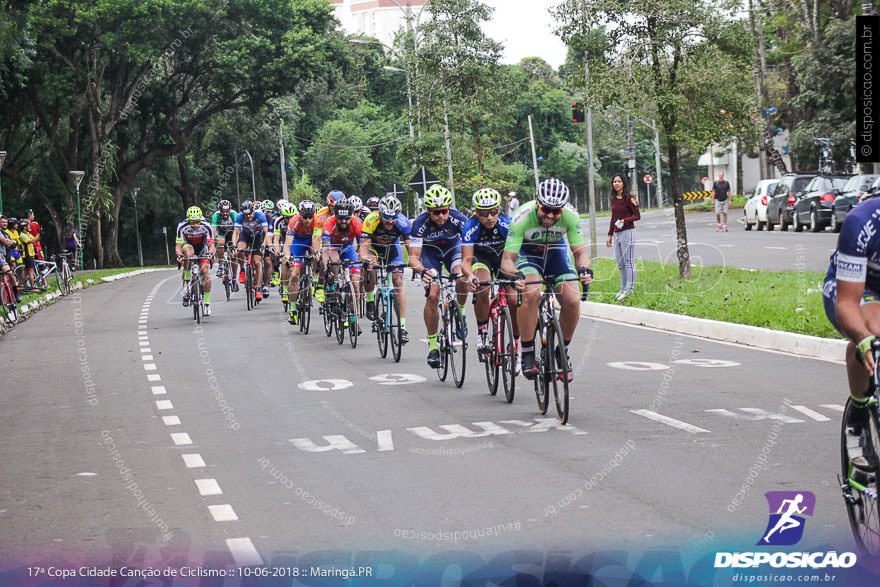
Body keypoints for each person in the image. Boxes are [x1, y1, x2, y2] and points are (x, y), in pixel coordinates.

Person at [501, 178, 593, 381]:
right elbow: (507, 260)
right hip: (528, 254)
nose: (551, 215)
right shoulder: (521, 217)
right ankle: (526, 351)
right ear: (536, 202)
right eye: (546, 209)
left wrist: (585, 269)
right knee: (531, 292)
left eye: (556, 211)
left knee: (572, 299)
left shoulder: (570, 216)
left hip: (555, 253)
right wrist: (515, 275)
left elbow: (580, 253)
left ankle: (561, 351)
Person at [824, 197, 880, 465]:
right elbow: (847, 302)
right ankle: (857, 419)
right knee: (875, 330)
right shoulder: (862, 223)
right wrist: (861, 337)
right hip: (852, 288)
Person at [408, 184, 469, 368]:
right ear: (428, 211)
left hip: (453, 250)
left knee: (461, 277)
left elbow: (469, 245)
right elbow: (413, 257)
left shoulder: (458, 219)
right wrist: (422, 271)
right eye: (436, 212)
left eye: (444, 211)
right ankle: (433, 345)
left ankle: (462, 314)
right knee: (433, 295)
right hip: (430, 254)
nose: (441, 216)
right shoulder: (420, 223)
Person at [461, 188, 519, 369]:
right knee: (482, 286)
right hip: (481, 259)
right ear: (476, 213)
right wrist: (470, 276)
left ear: (499, 210)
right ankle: (483, 332)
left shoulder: (507, 224)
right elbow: (466, 260)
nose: (489, 217)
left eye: (494, 212)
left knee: (513, 298)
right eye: (484, 213)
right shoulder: (471, 227)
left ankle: (516, 346)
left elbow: (518, 254)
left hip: (504, 259)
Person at [359, 195, 412, 343]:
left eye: (393, 217)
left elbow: (410, 247)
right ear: (381, 213)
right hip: (374, 248)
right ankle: (370, 299)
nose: (390, 221)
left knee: (398, 281)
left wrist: (414, 262)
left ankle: (402, 327)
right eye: (386, 217)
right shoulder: (371, 220)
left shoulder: (403, 222)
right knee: (370, 266)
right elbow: (363, 248)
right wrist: (365, 260)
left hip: (392, 249)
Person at [319, 198, 364, 334]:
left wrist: (364, 257)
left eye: (346, 218)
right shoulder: (329, 223)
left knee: (355, 285)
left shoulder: (357, 223)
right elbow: (325, 248)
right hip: (333, 247)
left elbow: (364, 245)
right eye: (340, 218)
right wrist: (326, 267)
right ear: (335, 215)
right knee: (333, 260)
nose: (343, 221)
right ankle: (331, 287)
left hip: (348, 249)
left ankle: (353, 320)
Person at [606, 174, 640, 301]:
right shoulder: (614, 199)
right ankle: (622, 289)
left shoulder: (629, 198)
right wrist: (610, 234)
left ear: (623, 183)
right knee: (620, 263)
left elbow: (637, 216)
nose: (616, 184)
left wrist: (625, 220)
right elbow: (613, 218)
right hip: (616, 233)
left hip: (628, 232)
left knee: (628, 262)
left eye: (619, 181)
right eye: (614, 181)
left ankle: (629, 290)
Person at [175, 206, 215, 315]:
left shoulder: (206, 226)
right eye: (193, 223)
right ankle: (187, 283)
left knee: (205, 273)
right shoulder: (182, 226)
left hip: (202, 248)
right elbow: (178, 245)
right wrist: (179, 254)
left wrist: (211, 253)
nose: (195, 225)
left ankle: (207, 305)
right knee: (189, 254)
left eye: (197, 222)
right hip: (188, 245)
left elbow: (211, 245)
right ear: (188, 220)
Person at [283, 200, 318, 325]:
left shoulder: (317, 220)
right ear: (300, 215)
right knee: (294, 276)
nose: (308, 220)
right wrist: (288, 258)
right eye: (305, 217)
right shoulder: (294, 221)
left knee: (316, 254)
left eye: (310, 217)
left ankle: (314, 278)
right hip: (297, 243)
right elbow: (287, 244)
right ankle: (293, 310)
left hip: (312, 241)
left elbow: (319, 240)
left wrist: (318, 254)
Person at [231, 200, 270, 302]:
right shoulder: (239, 216)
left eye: (250, 214)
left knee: (257, 262)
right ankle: (243, 270)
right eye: (246, 215)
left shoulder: (260, 215)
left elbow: (267, 233)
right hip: (245, 235)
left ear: (253, 210)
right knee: (240, 250)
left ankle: (257, 289)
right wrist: (234, 246)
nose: (248, 216)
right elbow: (235, 233)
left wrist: (264, 245)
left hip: (258, 236)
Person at [312, 190, 345, 303]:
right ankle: (320, 284)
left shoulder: (346, 213)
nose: (335, 211)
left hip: (340, 238)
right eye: (332, 208)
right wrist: (317, 252)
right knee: (323, 257)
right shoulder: (321, 215)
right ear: (328, 206)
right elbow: (316, 237)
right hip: (325, 239)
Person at [211, 200, 238, 287]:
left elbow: (238, 230)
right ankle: (220, 267)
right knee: (220, 242)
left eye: (227, 211)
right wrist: (211, 241)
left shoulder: (234, 215)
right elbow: (213, 230)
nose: (225, 214)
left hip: (231, 234)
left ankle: (234, 279)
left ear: (230, 210)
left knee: (234, 257)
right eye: (223, 212)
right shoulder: (216, 215)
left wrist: (235, 244)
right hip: (221, 233)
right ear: (220, 210)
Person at [0, 216, 22, 303]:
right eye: (2, 222)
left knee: (8, 277)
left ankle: (15, 294)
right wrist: (8, 242)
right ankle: (4, 302)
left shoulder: (6, 233)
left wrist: (9, 242)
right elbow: (6, 242)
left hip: (6, 257)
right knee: (8, 273)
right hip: (2, 257)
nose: (5, 224)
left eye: (6, 222)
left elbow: (13, 245)